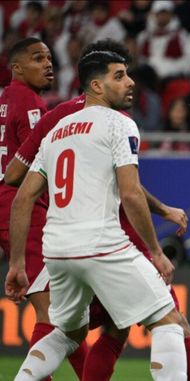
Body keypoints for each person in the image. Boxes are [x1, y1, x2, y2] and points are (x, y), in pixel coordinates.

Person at [4, 40, 190, 381]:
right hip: (104, 243)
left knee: (66, 333)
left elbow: (20, 194)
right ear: (97, 84)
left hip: (58, 252)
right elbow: (130, 192)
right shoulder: (119, 124)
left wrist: (16, 263)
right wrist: (157, 252)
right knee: (169, 321)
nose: (130, 82)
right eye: (120, 75)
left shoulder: (56, 128)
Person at [0, 37, 89, 379]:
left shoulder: (4, 100)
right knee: (53, 311)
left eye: (50, 58)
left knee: (60, 312)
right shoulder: (32, 103)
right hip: (21, 206)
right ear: (17, 68)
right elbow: (35, 162)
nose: (48, 64)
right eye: (38, 59)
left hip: (5, 205)